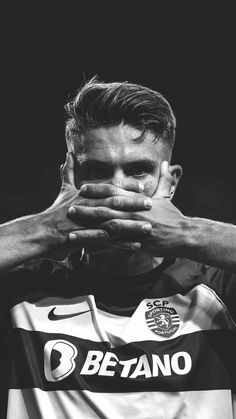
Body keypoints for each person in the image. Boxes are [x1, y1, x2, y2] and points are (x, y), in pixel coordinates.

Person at [1, 78, 236, 419]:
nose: (117, 188)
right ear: (70, 179)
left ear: (170, 182)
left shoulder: (218, 290)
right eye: (96, 170)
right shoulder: (22, 291)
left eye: (139, 169)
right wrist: (44, 227)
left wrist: (186, 231)